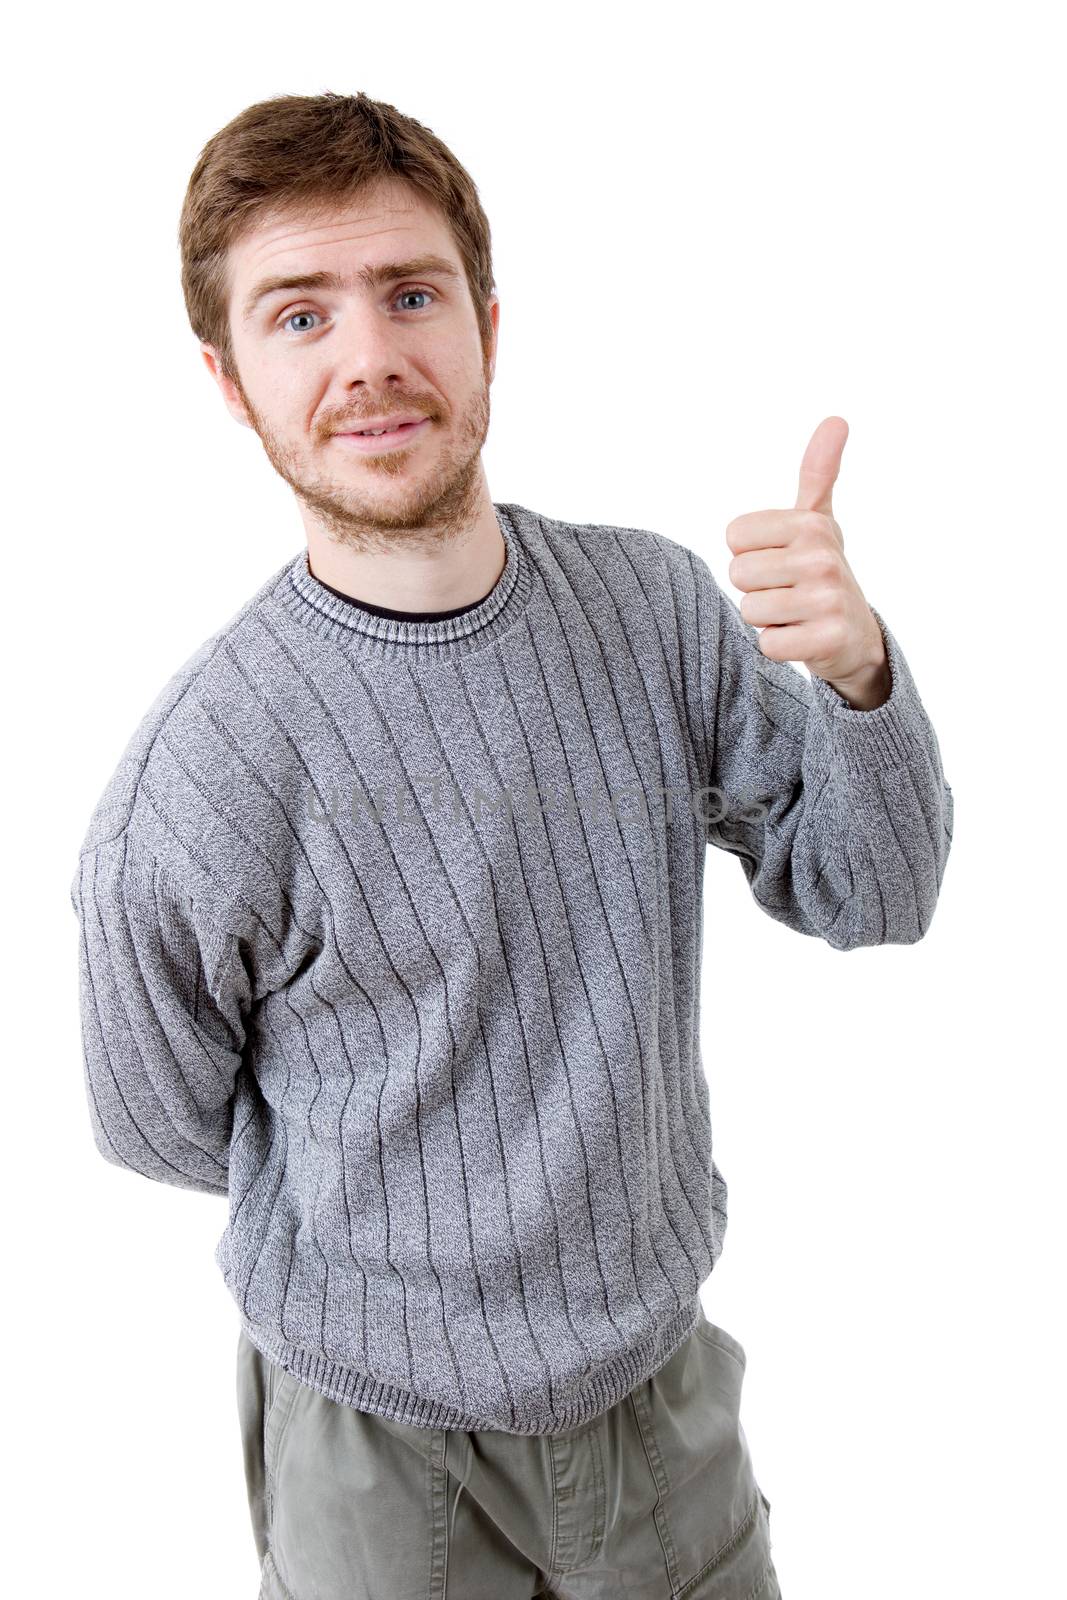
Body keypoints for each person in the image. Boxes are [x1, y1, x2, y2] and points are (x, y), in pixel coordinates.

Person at [69, 90, 953, 1600]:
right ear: (228, 381)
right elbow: (155, 1125)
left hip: (663, 1405)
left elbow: (874, 894)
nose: (368, 358)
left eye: (410, 294)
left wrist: (861, 679)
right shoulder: (203, 776)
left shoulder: (654, 614)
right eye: (299, 316)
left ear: (488, 323)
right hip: (373, 1457)